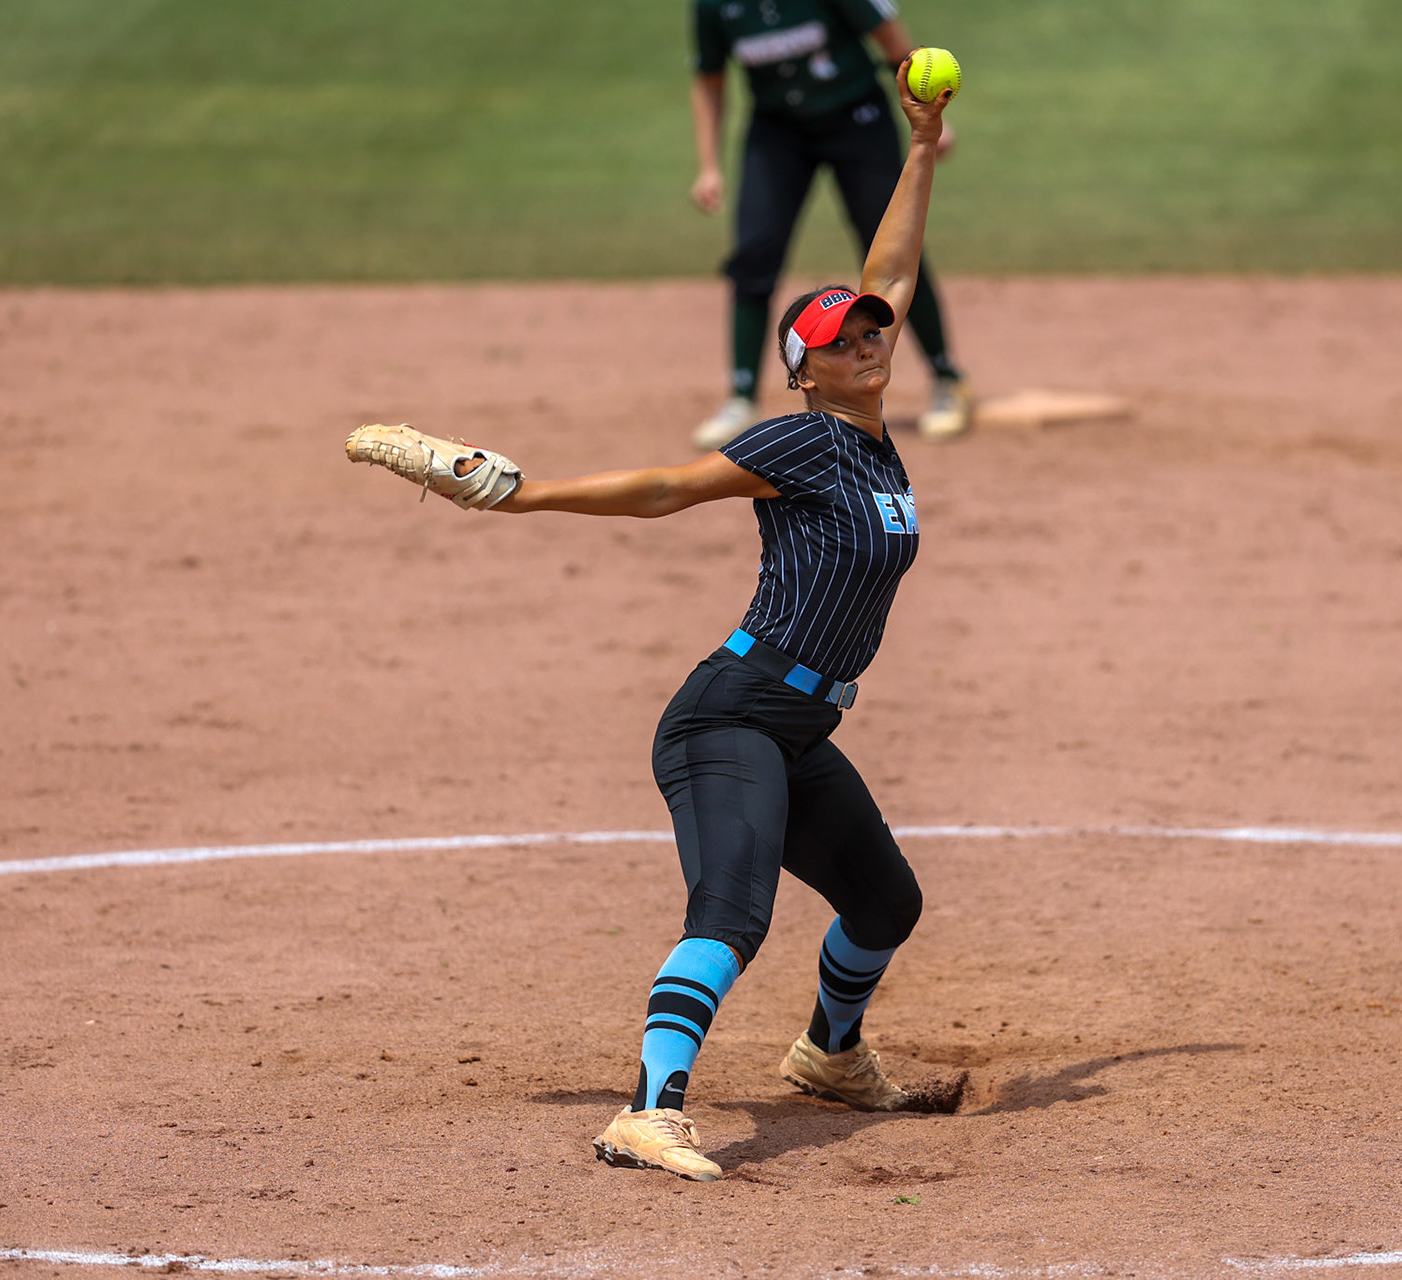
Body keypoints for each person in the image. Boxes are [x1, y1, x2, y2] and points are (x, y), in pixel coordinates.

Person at [343, 55, 955, 1182]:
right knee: (734, 910)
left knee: (885, 899)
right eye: (843, 336)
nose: (870, 337)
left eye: (875, 329)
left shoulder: (864, 432)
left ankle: (829, 1052)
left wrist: (918, 150)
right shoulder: (802, 439)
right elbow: (671, 486)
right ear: (803, 371)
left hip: (799, 724)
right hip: (729, 715)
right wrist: (526, 494)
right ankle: (647, 1109)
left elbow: (894, 270)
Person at [686, 0, 971, 450]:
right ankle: (740, 396)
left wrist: (939, 120)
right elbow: (708, 79)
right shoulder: (714, 5)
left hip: (857, 118)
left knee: (892, 247)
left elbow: (894, 43)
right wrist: (708, 165)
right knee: (755, 251)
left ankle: (947, 377)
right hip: (777, 131)